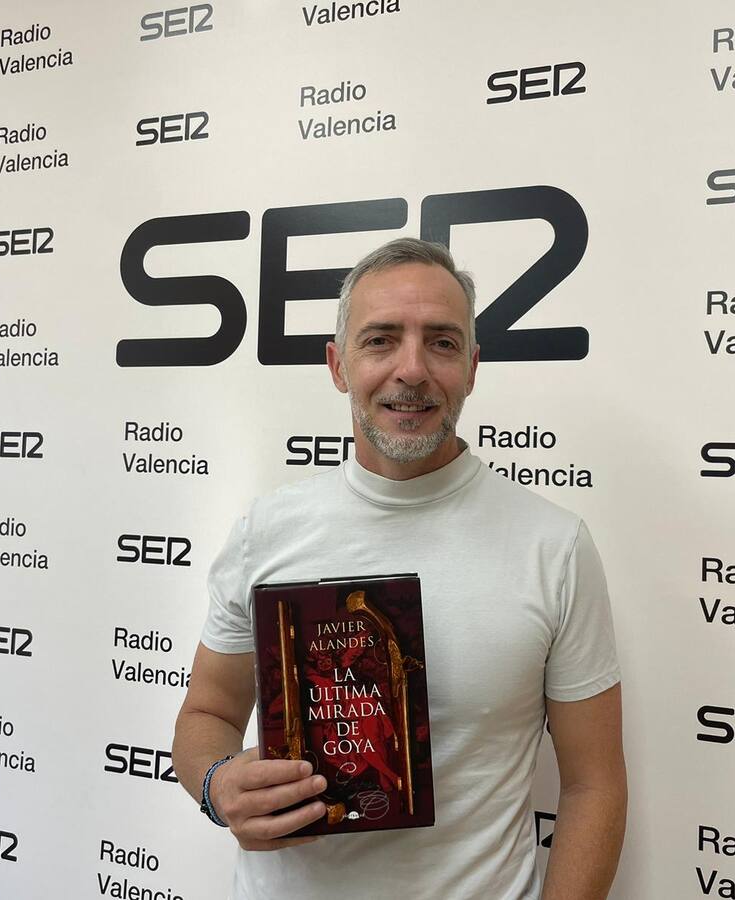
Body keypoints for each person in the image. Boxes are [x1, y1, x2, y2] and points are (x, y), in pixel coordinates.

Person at [172, 237, 626, 899]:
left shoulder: (553, 546)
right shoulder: (264, 531)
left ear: (471, 367)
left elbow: (594, 786)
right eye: (380, 340)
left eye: (441, 343)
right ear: (338, 365)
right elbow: (206, 712)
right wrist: (217, 785)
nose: (412, 370)